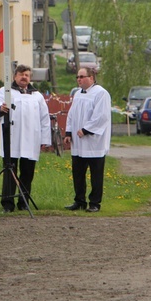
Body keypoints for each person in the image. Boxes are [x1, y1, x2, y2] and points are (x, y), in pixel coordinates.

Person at [0, 64, 51, 212]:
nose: (24, 77)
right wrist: (0, 109)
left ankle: (24, 203)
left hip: (31, 139)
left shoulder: (37, 96)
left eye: (27, 75)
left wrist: (45, 140)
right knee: (9, 171)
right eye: (21, 74)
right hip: (12, 138)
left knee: (27, 173)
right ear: (15, 76)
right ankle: (8, 204)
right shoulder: (6, 91)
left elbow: (44, 118)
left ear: (30, 78)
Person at [63, 67, 112, 213]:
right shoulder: (78, 94)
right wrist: (68, 132)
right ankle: (79, 200)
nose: (78, 79)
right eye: (77, 77)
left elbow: (101, 116)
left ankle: (95, 203)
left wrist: (86, 130)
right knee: (78, 173)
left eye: (82, 76)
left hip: (93, 142)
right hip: (78, 142)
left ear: (91, 78)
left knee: (96, 174)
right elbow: (71, 114)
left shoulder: (101, 93)